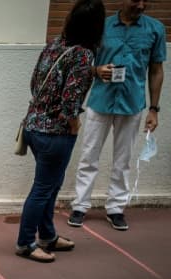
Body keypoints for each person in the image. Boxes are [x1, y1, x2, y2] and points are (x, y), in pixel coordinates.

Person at [15, 0, 106, 263]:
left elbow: (34, 82)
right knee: (44, 188)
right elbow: (70, 101)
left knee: (50, 185)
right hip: (55, 133)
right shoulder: (83, 54)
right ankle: (25, 242)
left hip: (33, 126)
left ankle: (48, 236)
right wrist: (73, 124)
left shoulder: (55, 45)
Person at [68, 0, 166, 231]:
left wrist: (154, 109)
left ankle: (115, 208)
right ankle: (80, 205)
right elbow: (82, 61)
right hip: (100, 100)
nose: (141, 5)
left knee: (123, 160)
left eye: (145, 1)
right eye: (135, 0)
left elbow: (156, 70)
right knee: (88, 156)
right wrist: (95, 70)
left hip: (132, 103)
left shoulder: (155, 29)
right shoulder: (101, 26)